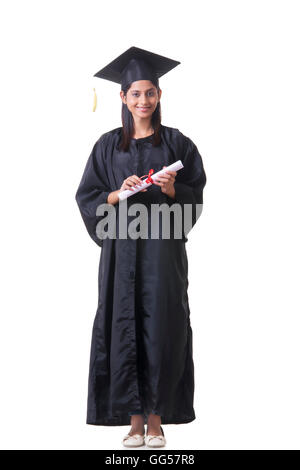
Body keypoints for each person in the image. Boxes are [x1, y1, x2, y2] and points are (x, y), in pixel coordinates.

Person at [75, 46, 207, 448]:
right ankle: (133, 422)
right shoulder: (107, 146)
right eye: (135, 93)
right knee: (122, 324)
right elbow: (87, 196)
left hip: (163, 255)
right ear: (123, 98)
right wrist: (116, 195)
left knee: (162, 326)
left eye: (150, 92)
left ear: (159, 95)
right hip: (120, 254)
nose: (143, 100)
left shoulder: (178, 144)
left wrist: (171, 191)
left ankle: (156, 420)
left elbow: (195, 194)